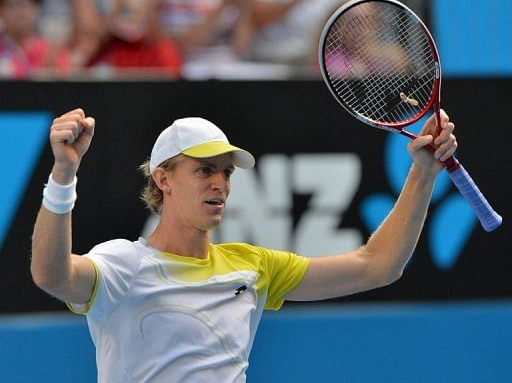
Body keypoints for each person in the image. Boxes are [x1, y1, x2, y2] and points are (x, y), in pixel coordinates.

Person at [31, 106, 457, 382]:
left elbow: (377, 266)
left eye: (227, 173)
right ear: (163, 179)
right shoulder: (122, 263)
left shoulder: (251, 267)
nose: (220, 183)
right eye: (204, 171)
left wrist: (422, 173)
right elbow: (52, 274)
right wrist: (64, 175)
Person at [0, 0, 70, 79]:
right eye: (11, 5)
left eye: (23, 5)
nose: (18, 12)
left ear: (35, 9)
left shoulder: (52, 51)